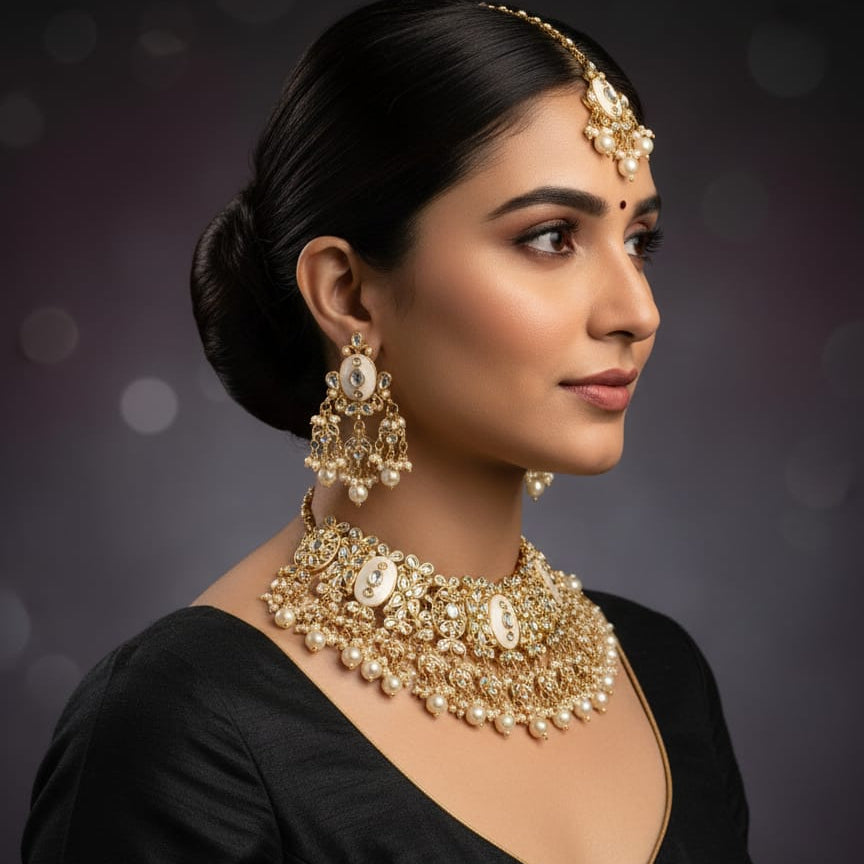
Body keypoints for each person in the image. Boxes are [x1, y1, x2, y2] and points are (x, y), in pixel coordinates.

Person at [21, 1, 752, 862]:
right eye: (553, 237)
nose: (639, 310)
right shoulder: (187, 727)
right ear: (348, 293)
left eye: (640, 241)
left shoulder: (661, 673)